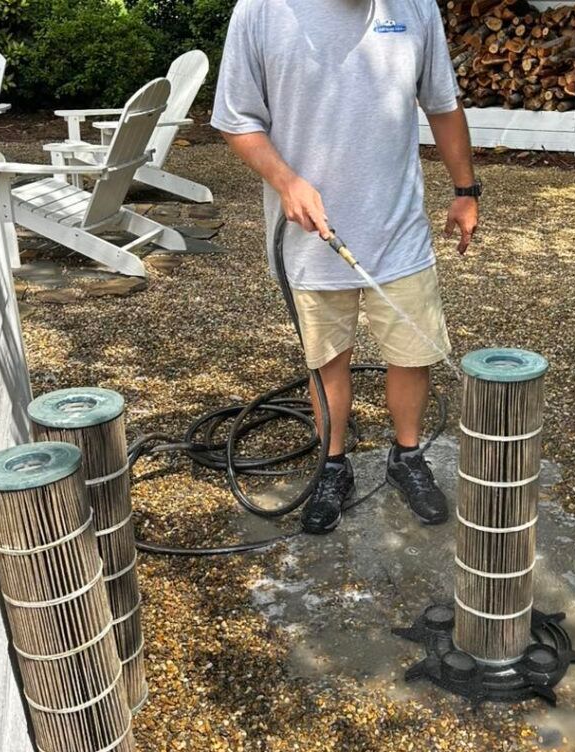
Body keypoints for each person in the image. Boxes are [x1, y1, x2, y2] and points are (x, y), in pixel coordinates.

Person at [212, 0, 480, 535]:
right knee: (328, 357)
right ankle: (333, 466)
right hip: (313, 237)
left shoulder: (415, 7)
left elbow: (443, 105)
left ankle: (406, 457)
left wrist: (466, 189)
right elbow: (237, 121)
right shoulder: (260, 12)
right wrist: (287, 181)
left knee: (412, 351)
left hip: (398, 229)